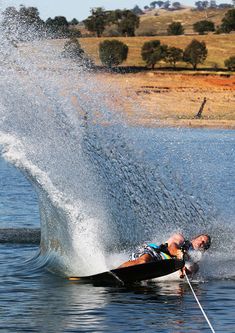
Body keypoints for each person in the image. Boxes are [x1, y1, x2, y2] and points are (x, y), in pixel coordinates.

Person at [119, 233, 211, 278]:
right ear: (195, 238)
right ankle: (116, 271)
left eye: (204, 243)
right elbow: (172, 247)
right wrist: (178, 252)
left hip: (161, 264)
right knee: (143, 262)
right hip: (153, 252)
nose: (201, 242)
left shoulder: (194, 259)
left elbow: (193, 268)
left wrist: (185, 270)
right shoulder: (180, 238)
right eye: (201, 238)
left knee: (196, 267)